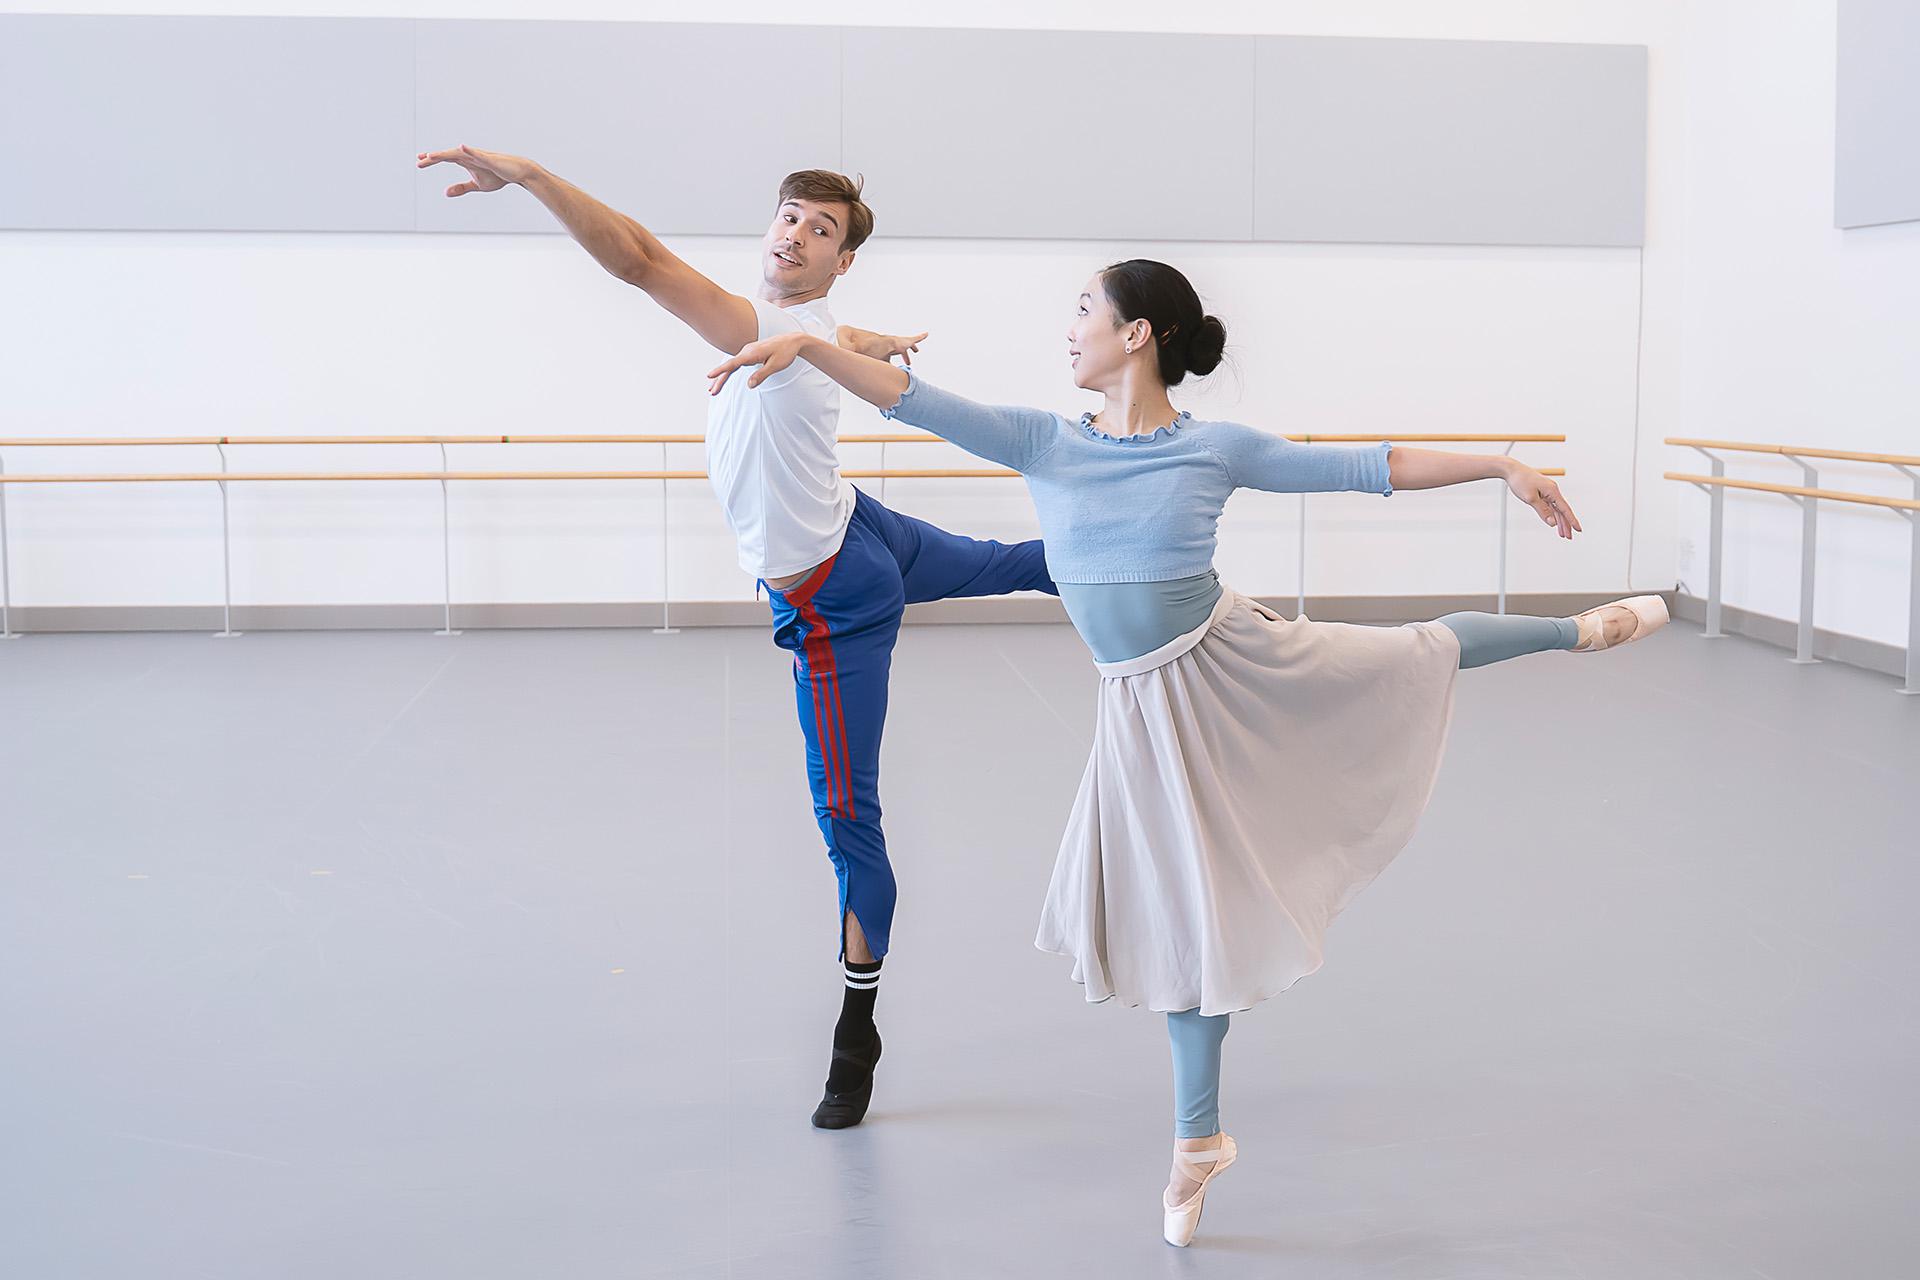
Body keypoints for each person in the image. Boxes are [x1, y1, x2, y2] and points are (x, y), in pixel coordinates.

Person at [707, 258, 1667, 1243]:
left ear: (1137, 335)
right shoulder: (1044, 441)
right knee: (1188, 921)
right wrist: (814, 346)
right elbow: (912, 397)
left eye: (1084, 309)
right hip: (1142, 713)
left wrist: (1503, 465)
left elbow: (1369, 466)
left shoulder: (1214, 450)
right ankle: (1197, 1140)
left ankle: (1579, 631)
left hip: (1237, 662)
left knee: (1416, 651)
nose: (1067, 326)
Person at [417, 145, 1056, 1129]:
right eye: (789, 216)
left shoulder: (771, 324)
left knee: (848, 812)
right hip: (861, 532)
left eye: (822, 229)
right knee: (1010, 563)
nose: (795, 233)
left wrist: (536, 176)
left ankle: (858, 1026)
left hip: (838, 596)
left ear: (841, 261)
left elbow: (636, 258)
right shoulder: (814, 321)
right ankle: (1140, 552)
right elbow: (834, 328)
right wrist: (875, 338)